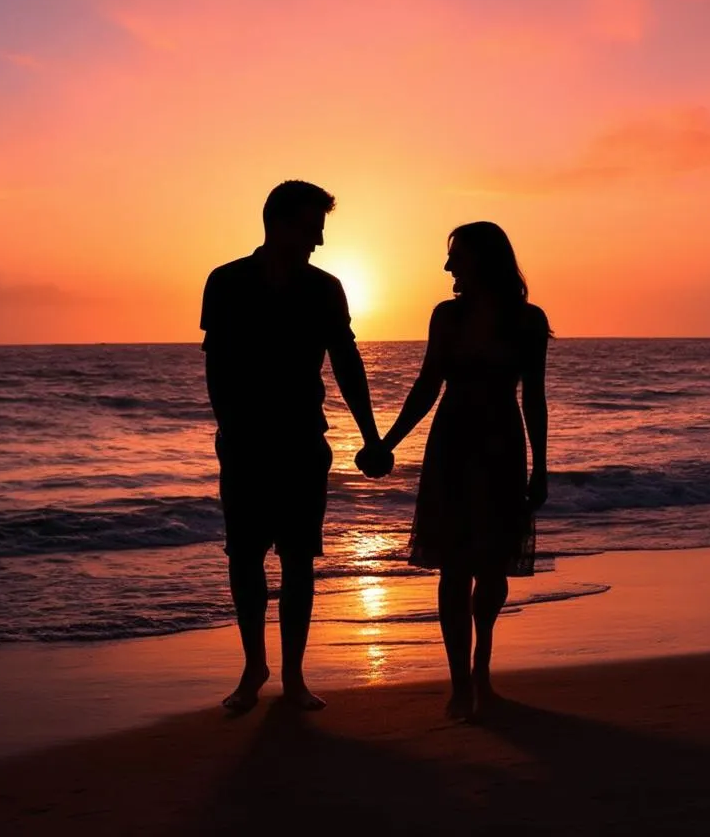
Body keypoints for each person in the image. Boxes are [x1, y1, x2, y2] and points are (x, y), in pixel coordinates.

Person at [200, 180, 393, 712]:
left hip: (304, 442)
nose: (319, 241)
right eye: (311, 229)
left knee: (299, 561)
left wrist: (371, 434)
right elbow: (216, 365)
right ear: (278, 224)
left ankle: (293, 676)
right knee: (244, 558)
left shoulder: (325, 288)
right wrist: (231, 430)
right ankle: (253, 666)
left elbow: (347, 364)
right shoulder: (226, 282)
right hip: (242, 444)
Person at [381, 222, 550, 720]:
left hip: (500, 443)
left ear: (481, 259)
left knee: (493, 568)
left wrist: (541, 466)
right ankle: (460, 682)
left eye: (456, 256)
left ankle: (482, 659)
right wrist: (387, 443)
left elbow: (534, 398)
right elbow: (427, 384)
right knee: (453, 566)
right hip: (452, 442)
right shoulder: (446, 316)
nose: (448, 266)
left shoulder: (528, 321)